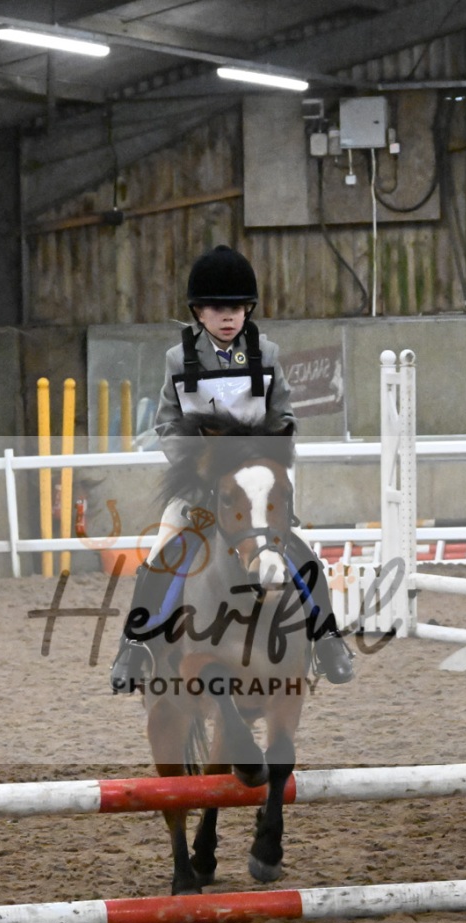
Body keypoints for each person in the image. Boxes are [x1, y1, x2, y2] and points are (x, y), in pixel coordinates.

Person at [109, 245, 355, 693]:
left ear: (248, 310)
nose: (228, 317)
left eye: (237, 308)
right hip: (200, 485)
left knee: (303, 554)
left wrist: (264, 459)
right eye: (217, 309)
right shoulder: (178, 359)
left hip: (255, 487)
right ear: (198, 313)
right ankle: (135, 644)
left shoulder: (267, 353)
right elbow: (166, 425)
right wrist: (198, 466)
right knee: (160, 557)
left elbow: (284, 417)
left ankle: (327, 638)